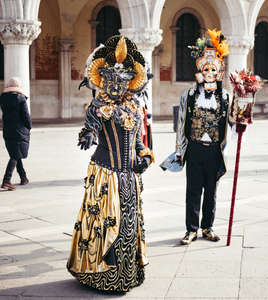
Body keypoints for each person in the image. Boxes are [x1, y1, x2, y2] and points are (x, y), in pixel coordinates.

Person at [66, 36, 154, 292]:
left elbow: (139, 141)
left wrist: (146, 158)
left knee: (127, 223)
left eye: (122, 81)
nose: (116, 86)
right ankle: (101, 275)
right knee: (106, 223)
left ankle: (125, 276)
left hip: (129, 176)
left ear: (130, 83)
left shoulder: (135, 108)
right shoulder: (98, 106)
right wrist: (88, 136)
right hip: (105, 174)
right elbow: (89, 129)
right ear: (103, 80)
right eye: (111, 81)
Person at [161, 29, 231, 245]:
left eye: (213, 69)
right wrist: (181, 150)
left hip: (215, 151)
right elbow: (181, 124)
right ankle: (191, 229)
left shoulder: (225, 96)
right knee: (193, 191)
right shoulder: (189, 95)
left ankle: (207, 227)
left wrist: (244, 114)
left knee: (211, 191)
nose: (209, 72)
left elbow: (233, 123)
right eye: (206, 68)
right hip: (195, 148)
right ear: (200, 70)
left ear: (218, 71)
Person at [0, 77, 31, 191]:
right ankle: (6, 181)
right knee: (15, 155)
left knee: (15, 153)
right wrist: (29, 126)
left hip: (7, 129)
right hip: (19, 130)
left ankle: (23, 177)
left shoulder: (3, 98)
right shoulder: (20, 98)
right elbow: (25, 116)